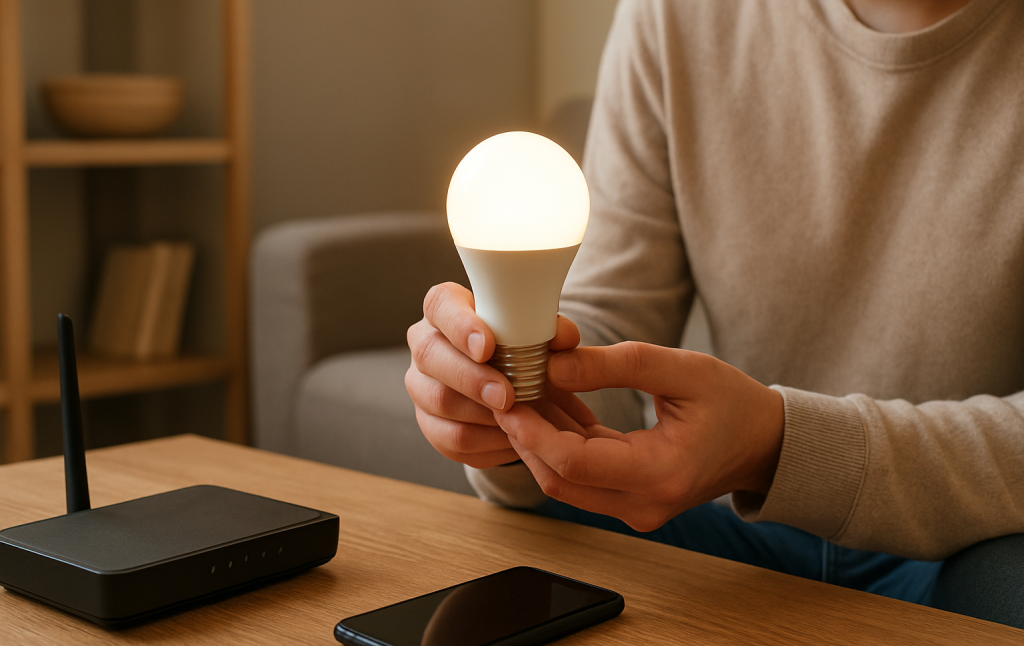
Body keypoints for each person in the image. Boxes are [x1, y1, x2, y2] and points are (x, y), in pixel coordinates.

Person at [405, 0, 1024, 605]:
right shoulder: (672, 14)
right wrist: (506, 409)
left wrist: (777, 447)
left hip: (967, 545)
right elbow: (611, 321)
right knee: (517, 538)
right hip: (726, 525)